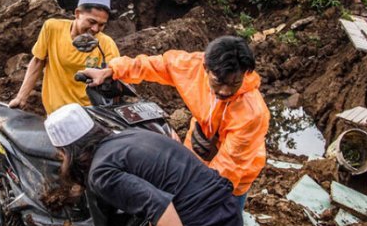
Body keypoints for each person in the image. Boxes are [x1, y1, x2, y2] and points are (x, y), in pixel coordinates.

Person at [45, 104, 243, 226]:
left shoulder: (100, 172)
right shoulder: (130, 135)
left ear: (67, 152)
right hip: (230, 218)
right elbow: (159, 193)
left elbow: (160, 206)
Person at [80, 35, 270, 207]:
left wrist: (195, 198)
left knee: (223, 220)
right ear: (205, 68)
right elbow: (156, 65)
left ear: (245, 74)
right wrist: (112, 70)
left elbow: (228, 171)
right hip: (196, 150)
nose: (225, 91)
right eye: (218, 82)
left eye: (234, 84)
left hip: (234, 177)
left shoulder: (252, 113)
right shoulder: (192, 67)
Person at [9, 0, 120, 114]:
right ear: (77, 13)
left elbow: (116, 77)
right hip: (55, 113)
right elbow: (38, 62)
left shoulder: (106, 44)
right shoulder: (52, 28)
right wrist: (21, 98)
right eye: (91, 22)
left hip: (87, 115)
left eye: (101, 25)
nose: (95, 29)